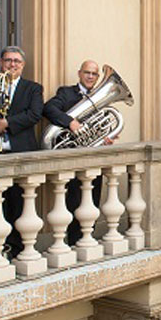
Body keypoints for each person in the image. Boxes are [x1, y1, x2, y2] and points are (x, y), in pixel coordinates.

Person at [44, 60, 108, 245]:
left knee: (93, 200)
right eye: (87, 72)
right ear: (80, 73)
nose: (90, 76)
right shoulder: (66, 93)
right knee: (73, 201)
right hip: (72, 156)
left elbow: (101, 124)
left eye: (94, 74)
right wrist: (70, 122)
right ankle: (73, 242)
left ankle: (88, 240)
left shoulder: (101, 96)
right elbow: (48, 108)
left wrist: (104, 137)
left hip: (94, 158)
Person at [0, 46, 44, 153]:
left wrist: (7, 123)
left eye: (17, 61)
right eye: (8, 60)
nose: (12, 64)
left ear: (22, 65)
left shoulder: (33, 88)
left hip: (22, 149)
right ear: (1, 62)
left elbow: (34, 114)